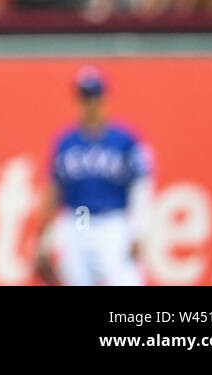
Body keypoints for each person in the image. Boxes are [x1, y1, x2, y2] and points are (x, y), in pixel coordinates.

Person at [33, 67, 153, 286]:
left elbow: (141, 187)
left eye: (94, 96)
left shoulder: (125, 140)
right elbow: (54, 192)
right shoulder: (66, 142)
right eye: (84, 97)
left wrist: (139, 230)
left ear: (103, 98)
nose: (89, 103)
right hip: (77, 220)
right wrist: (42, 241)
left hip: (112, 222)